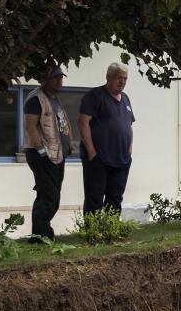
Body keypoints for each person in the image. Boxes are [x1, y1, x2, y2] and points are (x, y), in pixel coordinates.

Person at [23, 66, 73, 240]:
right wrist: (42, 150)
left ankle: (43, 233)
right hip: (43, 155)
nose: (60, 81)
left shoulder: (53, 99)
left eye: (61, 77)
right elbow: (30, 126)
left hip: (57, 155)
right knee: (48, 196)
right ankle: (40, 236)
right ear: (46, 80)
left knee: (53, 196)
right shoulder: (36, 99)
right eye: (56, 78)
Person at [79, 63, 135, 215]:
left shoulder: (125, 99)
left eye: (125, 78)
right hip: (99, 159)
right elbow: (83, 123)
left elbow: (128, 124)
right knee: (94, 198)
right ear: (109, 77)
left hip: (121, 159)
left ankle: (111, 232)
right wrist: (91, 152)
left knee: (115, 198)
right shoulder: (95, 96)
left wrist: (129, 149)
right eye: (119, 78)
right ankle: (93, 233)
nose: (122, 82)